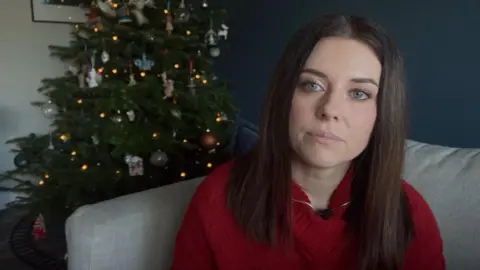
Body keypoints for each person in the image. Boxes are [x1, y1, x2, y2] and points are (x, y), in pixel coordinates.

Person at [170, 14, 445, 270]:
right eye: (312, 85)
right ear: (285, 95)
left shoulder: (409, 213)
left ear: (383, 113)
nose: (330, 109)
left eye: (359, 93)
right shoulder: (218, 198)